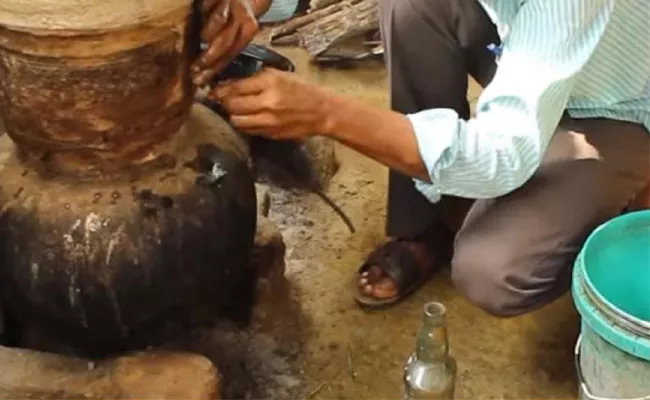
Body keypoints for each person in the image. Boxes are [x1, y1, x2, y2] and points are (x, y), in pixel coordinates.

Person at [195, 0, 650, 317]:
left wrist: (325, 114)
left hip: (615, 108)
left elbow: (503, 154)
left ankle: (626, 201)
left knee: (494, 270)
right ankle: (425, 226)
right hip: (533, 48)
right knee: (411, 5)